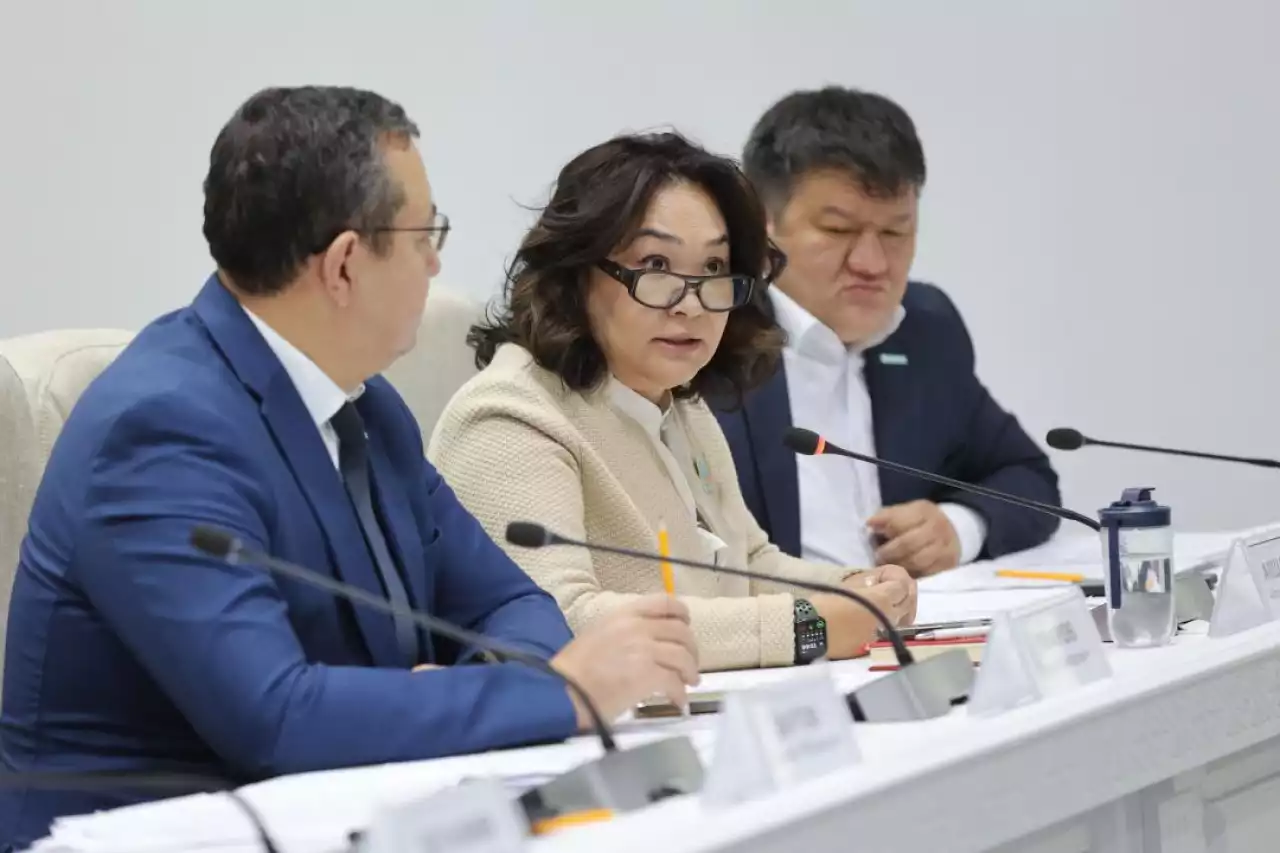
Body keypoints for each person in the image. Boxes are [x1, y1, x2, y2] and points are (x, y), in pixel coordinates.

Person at [0, 86, 698, 848]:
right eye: (424, 233)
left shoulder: (368, 408)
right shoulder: (162, 431)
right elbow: (276, 717)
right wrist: (562, 694)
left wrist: (473, 686)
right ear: (342, 265)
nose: (436, 261)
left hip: (343, 816)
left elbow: (514, 604)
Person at [429, 132, 917, 674]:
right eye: (657, 265)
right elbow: (559, 623)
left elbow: (750, 565)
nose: (691, 304)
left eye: (713, 269)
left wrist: (856, 588)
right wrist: (808, 625)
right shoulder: (509, 416)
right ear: (575, 273)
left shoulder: (680, 405)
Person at [712, 87, 1061, 578]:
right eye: (838, 231)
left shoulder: (924, 329)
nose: (872, 264)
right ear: (761, 224)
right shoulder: (708, 336)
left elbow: (1028, 477)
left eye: (895, 232)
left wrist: (958, 527)